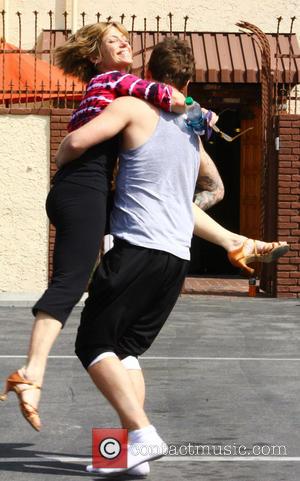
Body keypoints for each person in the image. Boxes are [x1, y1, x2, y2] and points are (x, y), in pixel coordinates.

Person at [0, 26, 287, 440]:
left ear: (150, 72)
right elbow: (215, 185)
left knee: (98, 344)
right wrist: (199, 115)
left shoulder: (136, 105)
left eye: (127, 42)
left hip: (133, 242)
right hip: (171, 255)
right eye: (115, 41)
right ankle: (132, 441)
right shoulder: (174, 123)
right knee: (111, 333)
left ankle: (136, 433)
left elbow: (83, 138)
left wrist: (63, 156)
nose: (124, 45)